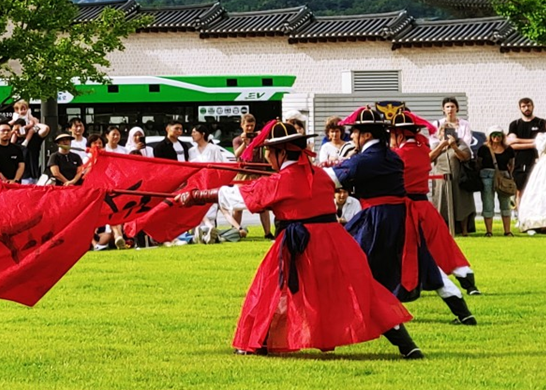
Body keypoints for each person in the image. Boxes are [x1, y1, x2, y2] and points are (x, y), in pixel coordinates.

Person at [177, 120, 420, 358]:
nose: (268, 158)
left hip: (301, 243)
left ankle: (254, 342)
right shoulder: (320, 175)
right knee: (363, 290)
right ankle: (406, 344)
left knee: (269, 290)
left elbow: (237, 195)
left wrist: (197, 195)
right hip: (337, 243)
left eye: (270, 152)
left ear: (281, 153)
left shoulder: (280, 181)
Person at [329, 106, 476, 325]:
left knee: (348, 260)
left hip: (379, 219)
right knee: (426, 264)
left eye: (355, 132)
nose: (351, 136)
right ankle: (464, 311)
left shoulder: (376, 158)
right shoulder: (397, 155)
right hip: (406, 214)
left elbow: (331, 179)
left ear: (367, 135)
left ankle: (352, 315)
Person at [390, 109, 480, 295]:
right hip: (425, 205)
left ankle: (408, 286)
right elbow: (429, 155)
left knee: (407, 249)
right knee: (444, 245)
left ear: (399, 134)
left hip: (407, 208)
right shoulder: (422, 150)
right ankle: (468, 282)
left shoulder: (397, 155)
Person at [430, 97, 475, 236]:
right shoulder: (437, 124)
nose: (450, 109)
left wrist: (454, 144)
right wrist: (442, 143)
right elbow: (431, 153)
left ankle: (464, 229)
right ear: (443, 109)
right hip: (441, 171)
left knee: (462, 199)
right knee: (441, 199)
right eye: (447, 107)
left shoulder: (464, 124)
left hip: (458, 170)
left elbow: (466, 145)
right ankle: (442, 228)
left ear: (457, 108)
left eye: (452, 106)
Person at [516, 116, 546, 234]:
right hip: (545, 165)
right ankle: (537, 223)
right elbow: (542, 148)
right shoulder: (541, 137)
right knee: (542, 191)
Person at [477, 126, 515, 237]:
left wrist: (508, 175)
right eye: (494, 135)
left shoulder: (508, 149)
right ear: (489, 136)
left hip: (503, 176)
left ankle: (507, 231)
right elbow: (479, 163)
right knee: (488, 202)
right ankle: (489, 231)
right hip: (487, 176)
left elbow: (511, 164)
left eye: (499, 135)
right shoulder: (483, 148)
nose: (496, 137)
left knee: (505, 203)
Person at [507, 98, 543, 208]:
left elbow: (545, 141)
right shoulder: (515, 124)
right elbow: (511, 143)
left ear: (533, 106)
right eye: (523, 106)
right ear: (520, 108)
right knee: (520, 191)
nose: (526, 108)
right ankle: (521, 218)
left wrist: (519, 141)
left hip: (538, 162)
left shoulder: (541, 123)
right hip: (519, 163)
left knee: (537, 192)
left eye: (529, 105)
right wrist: (535, 142)